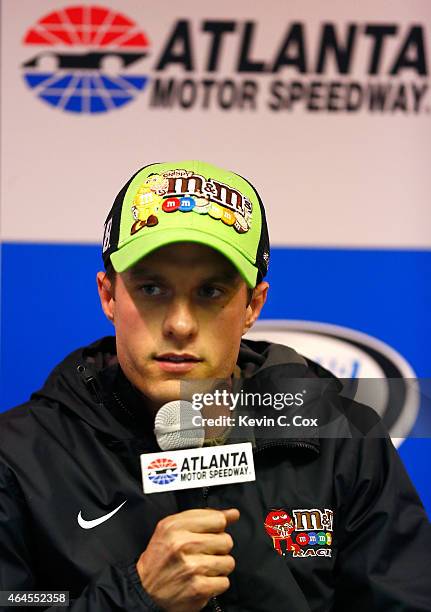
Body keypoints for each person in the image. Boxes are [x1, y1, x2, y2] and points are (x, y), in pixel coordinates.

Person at [0, 160, 430, 612]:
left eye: (209, 293)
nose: (180, 324)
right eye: (151, 289)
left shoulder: (341, 437)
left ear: (252, 305)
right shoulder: (20, 457)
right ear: (109, 295)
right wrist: (136, 595)